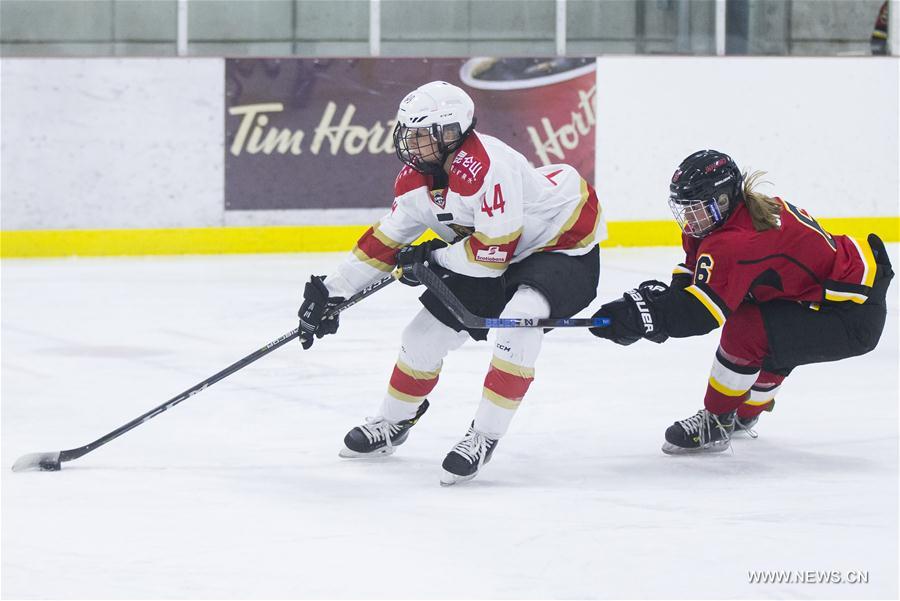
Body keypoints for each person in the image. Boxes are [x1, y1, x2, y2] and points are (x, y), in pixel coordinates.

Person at [298, 81, 604, 484]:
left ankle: (484, 435)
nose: (411, 142)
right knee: (421, 335)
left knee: (520, 321)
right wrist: (332, 292)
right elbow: (385, 241)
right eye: (408, 132)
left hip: (561, 245)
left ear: (450, 134)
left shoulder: (487, 166)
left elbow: (492, 255)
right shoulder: (416, 181)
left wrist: (433, 258)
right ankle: (394, 422)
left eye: (422, 134)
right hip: (494, 252)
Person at [588, 149, 893, 454]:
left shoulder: (738, 241)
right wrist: (665, 305)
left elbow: (701, 314)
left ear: (722, 200)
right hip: (822, 299)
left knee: (748, 329)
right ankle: (744, 414)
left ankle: (716, 422)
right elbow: (696, 273)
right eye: (685, 208)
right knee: (765, 322)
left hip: (853, 315)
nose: (690, 218)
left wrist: (647, 314)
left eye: (696, 208)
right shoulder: (722, 220)